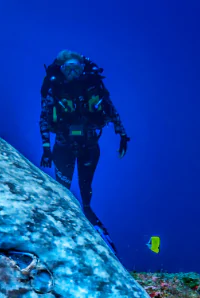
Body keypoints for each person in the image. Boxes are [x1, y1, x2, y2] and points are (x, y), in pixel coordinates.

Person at [39, 50, 129, 254]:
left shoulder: (93, 86)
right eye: (68, 69)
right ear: (61, 70)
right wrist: (46, 148)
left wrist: (123, 135)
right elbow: (44, 117)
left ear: (83, 69)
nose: (72, 73)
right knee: (62, 190)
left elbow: (111, 110)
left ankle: (91, 223)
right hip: (64, 146)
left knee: (85, 190)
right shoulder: (55, 89)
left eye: (76, 68)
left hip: (88, 145)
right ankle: (59, 227)